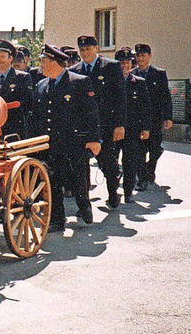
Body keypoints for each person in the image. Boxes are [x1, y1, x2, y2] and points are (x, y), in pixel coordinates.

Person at [31, 45, 101, 232]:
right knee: (52, 182)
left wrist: (94, 139)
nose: (41, 65)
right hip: (50, 143)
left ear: (54, 63)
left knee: (78, 179)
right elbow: (39, 116)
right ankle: (57, 219)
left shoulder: (79, 82)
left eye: (44, 61)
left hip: (73, 142)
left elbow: (91, 112)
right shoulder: (42, 85)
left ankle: (84, 205)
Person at [69, 35, 126, 208]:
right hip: (82, 126)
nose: (85, 53)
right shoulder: (75, 70)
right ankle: (84, 203)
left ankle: (112, 192)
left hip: (105, 124)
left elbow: (120, 97)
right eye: (82, 50)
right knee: (81, 166)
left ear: (96, 49)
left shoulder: (110, 67)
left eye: (88, 49)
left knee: (107, 162)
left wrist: (119, 124)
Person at [132, 43, 173, 191]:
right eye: (138, 55)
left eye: (143, 55)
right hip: (138, 119)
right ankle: (142, 178)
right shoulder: (132, 74)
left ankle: (150, 170)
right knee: (139, 151)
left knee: (154, 149)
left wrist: (168, 117)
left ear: (149, 56)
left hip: (155, 118)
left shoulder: (159, 74)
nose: (140, 58)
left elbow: (166, 97)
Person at [115, 48, 152, 203]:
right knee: (110, 162)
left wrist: (146, 127)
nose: (125, 66)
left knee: (130, 162)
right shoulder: (110, 82)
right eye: (122, 63)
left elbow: (146, 107)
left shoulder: (139, 82)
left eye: (128, 63)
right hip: (114, 129)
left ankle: (128, 192)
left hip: (132, 129)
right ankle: (113, 187)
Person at [0, 39, 33, 139]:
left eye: (2, 57)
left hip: (14, 130)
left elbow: (28, 104)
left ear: (10, 58)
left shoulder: (22, 77)